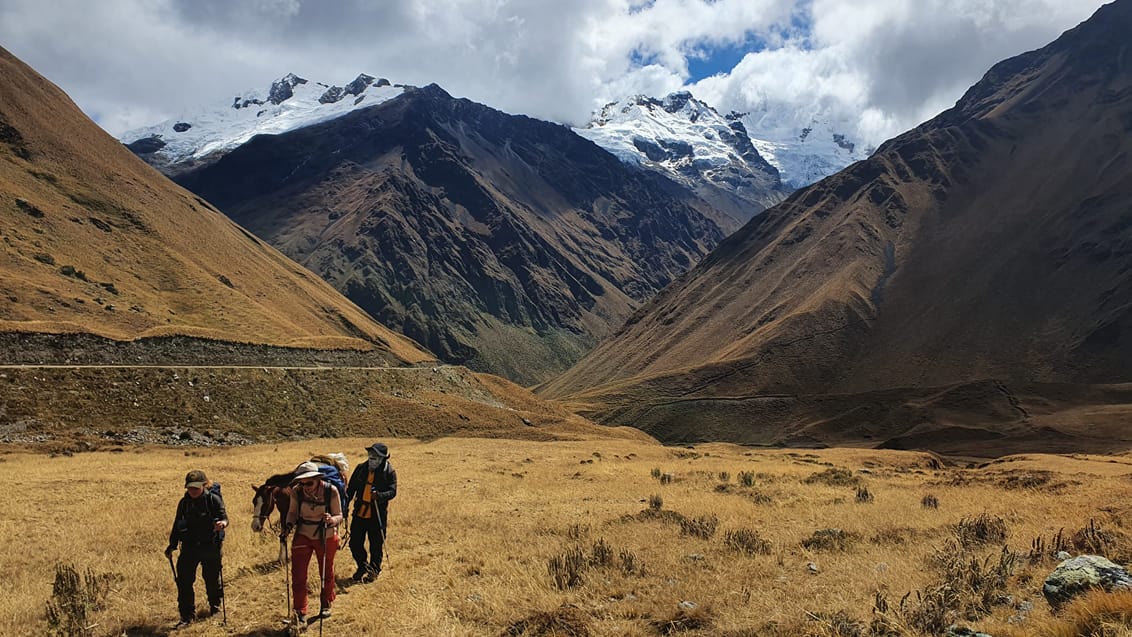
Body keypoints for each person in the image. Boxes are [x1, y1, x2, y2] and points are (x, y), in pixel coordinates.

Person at [281, 461, 343, 624]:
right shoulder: (297, 491)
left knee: (326, 571)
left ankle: (326, 603)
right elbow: (292, 512)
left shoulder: (331, 491)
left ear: (317, 479)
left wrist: (331, 519)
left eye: (309, 482)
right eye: (302, 482)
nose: (305, 485)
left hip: (326, 535)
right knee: (298, 574)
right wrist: (288, 525)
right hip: (303, 533)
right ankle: (300, 611)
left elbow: (339, 515)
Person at [165, 470, 228, 628]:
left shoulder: (213, 500)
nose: (192, 491)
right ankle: (186, 616)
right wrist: (172, 545)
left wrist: (222, 524)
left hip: (210, 546)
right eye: (190, 488)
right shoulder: (184, 503)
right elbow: (177, 525)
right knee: (184, 582)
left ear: (204, 485)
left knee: (212, 579)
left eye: (196, 488)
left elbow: (224, 517)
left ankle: (215, 609)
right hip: (189, 548)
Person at [345, 442, 397, 582]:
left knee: (376, 544)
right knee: (354, 543)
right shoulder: (361, 469)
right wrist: (345, 505)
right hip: (360, 513)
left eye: (376, 456)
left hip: (377, 514)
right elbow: (351, 490)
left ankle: (374, 570)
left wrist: (379, 496)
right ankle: (362, 566)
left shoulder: (389, 472)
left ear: (383, 458)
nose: (372, 458)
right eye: (370, 454)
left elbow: (392, 492)